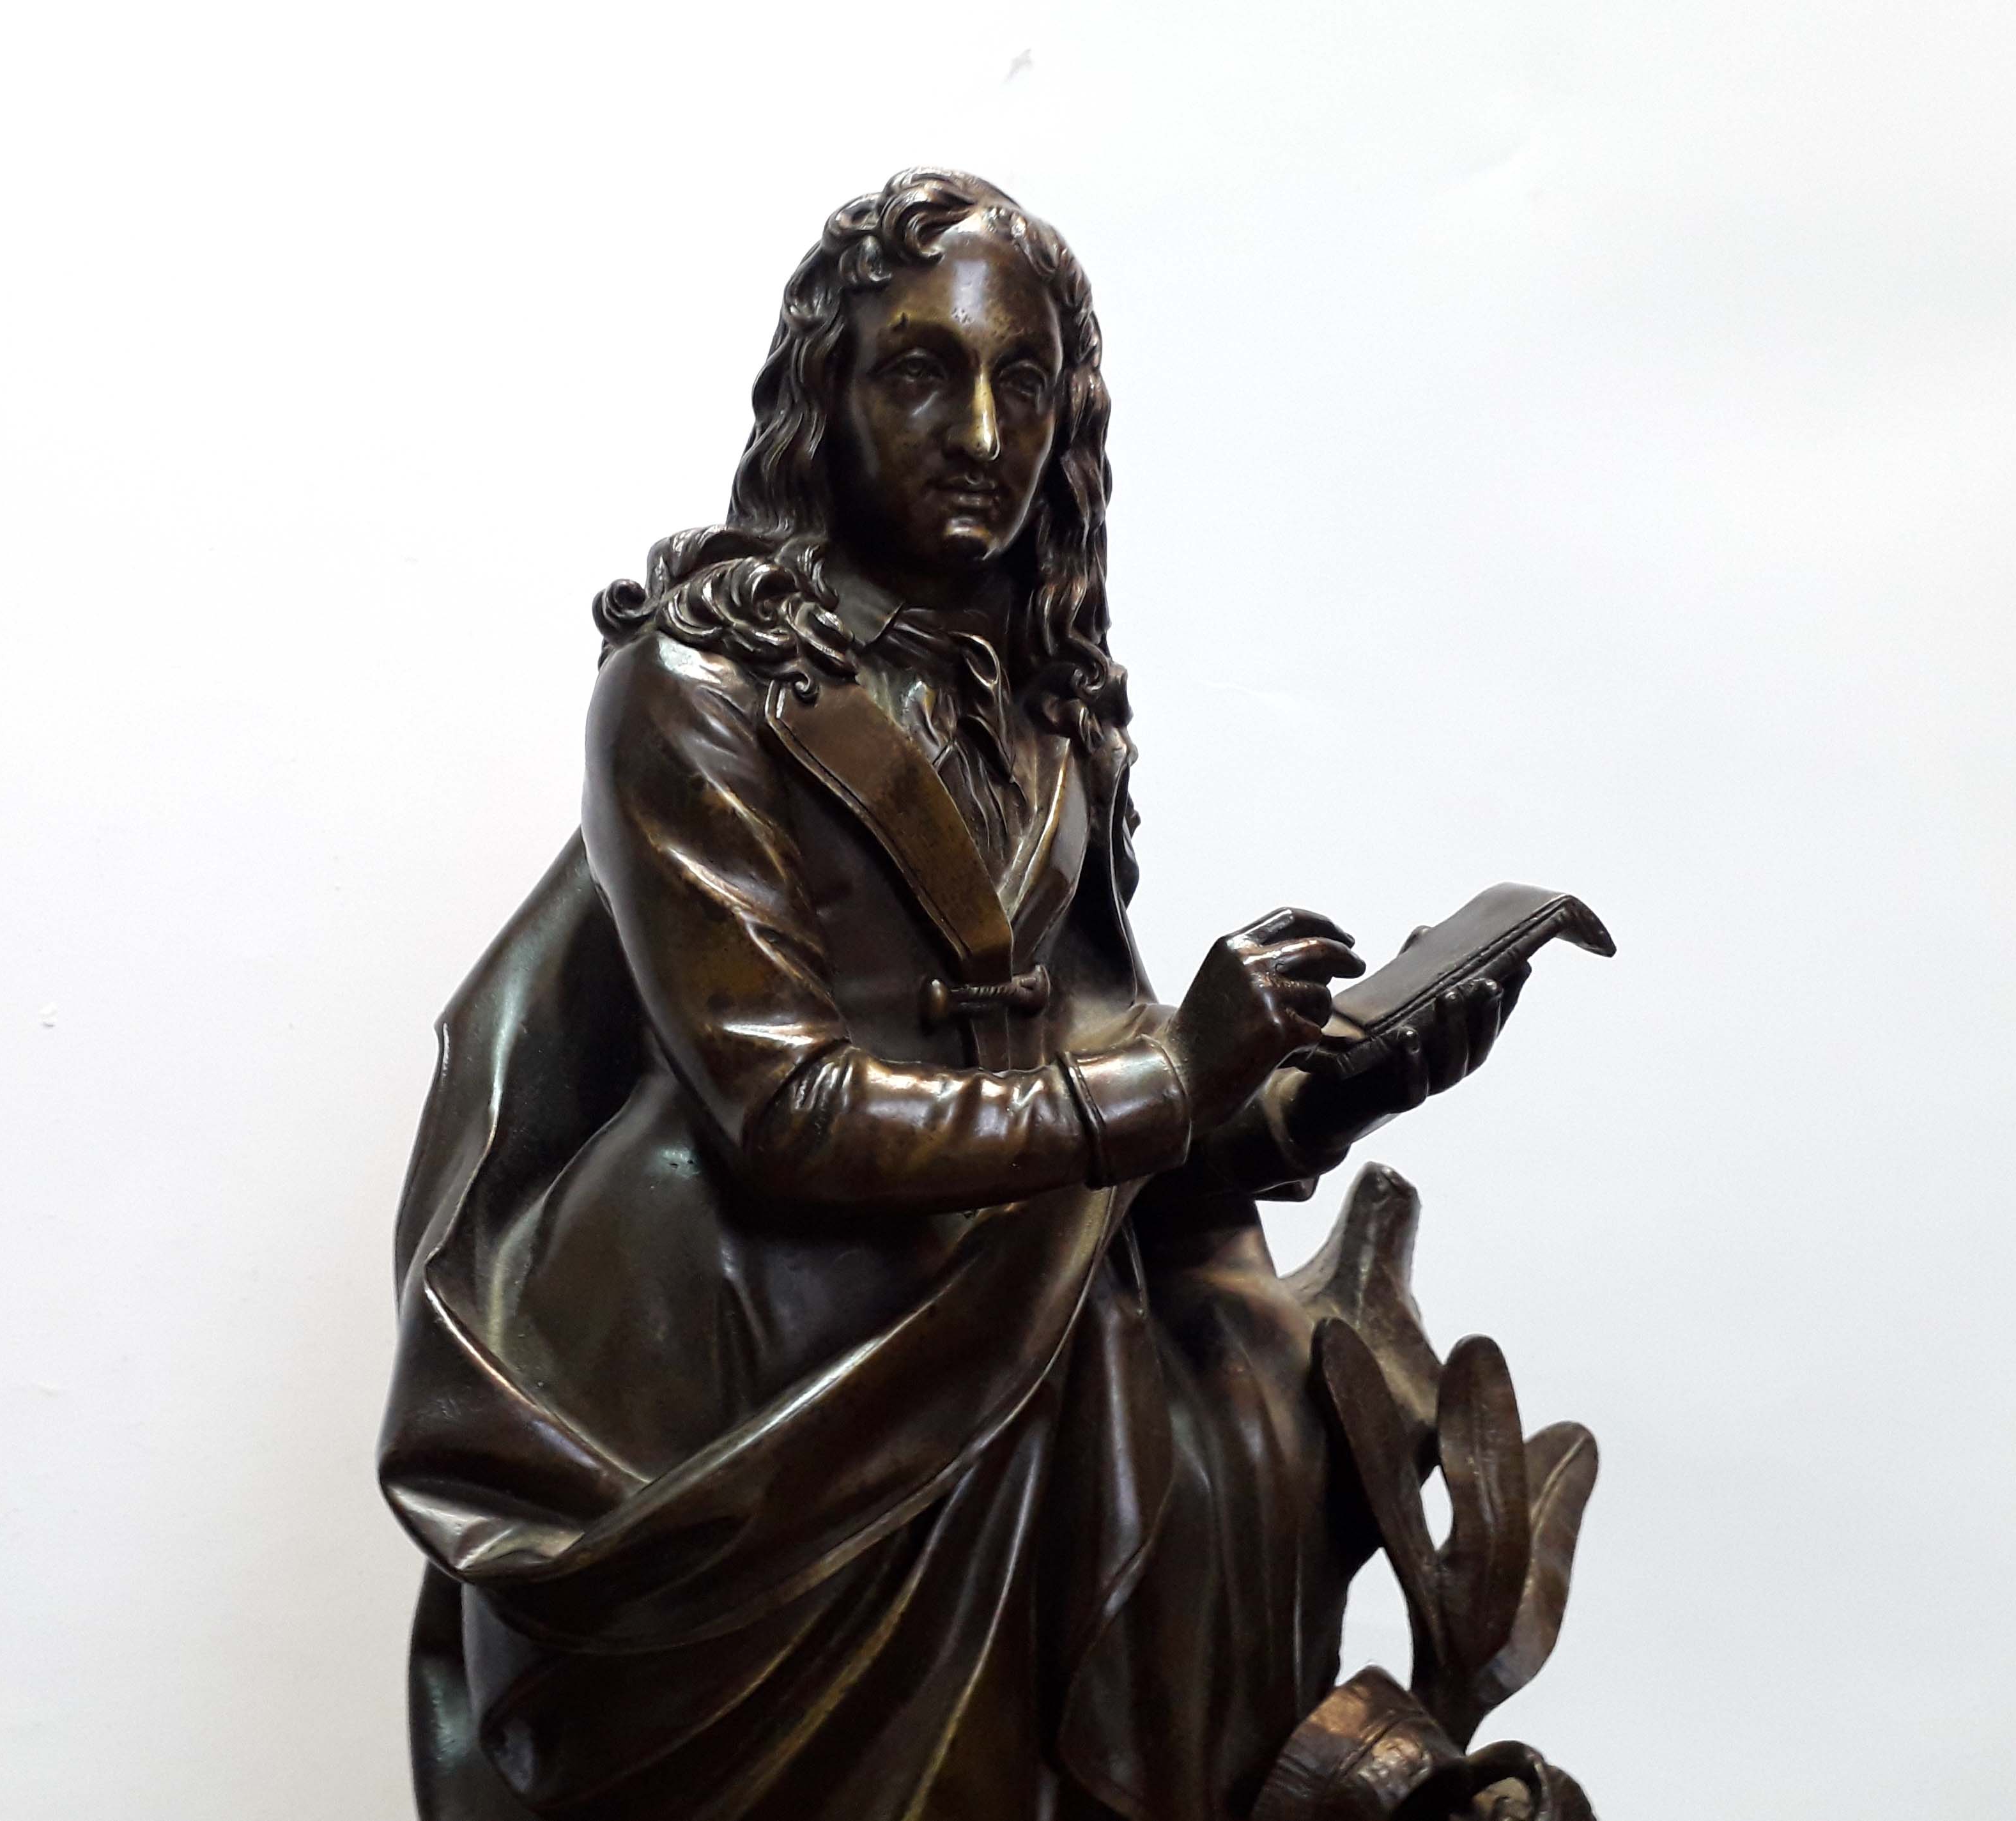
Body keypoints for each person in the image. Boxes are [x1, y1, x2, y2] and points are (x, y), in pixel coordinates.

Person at [379, 168, 1523, 1821]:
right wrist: (1168, 1078)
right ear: (824, 398)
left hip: (1009, 1295)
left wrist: (1313, 1095)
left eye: (1023, 380)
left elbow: (1101, 1085)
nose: (982, 432)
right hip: (759, 1345)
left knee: (1240, 1389)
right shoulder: (697, 684)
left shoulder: (1054, 711)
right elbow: (783, 1106)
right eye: (921, 371)